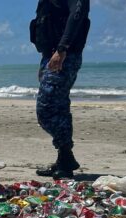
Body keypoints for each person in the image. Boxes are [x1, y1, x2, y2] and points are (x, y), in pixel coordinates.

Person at [33, 0, 90, 179]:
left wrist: (62, 49)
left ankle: (65, 154)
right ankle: (64, 160)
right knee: (60, 108)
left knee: (46, 108)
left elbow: (77, 15)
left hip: (65, 55)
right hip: (51, 55)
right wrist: (44, 60)